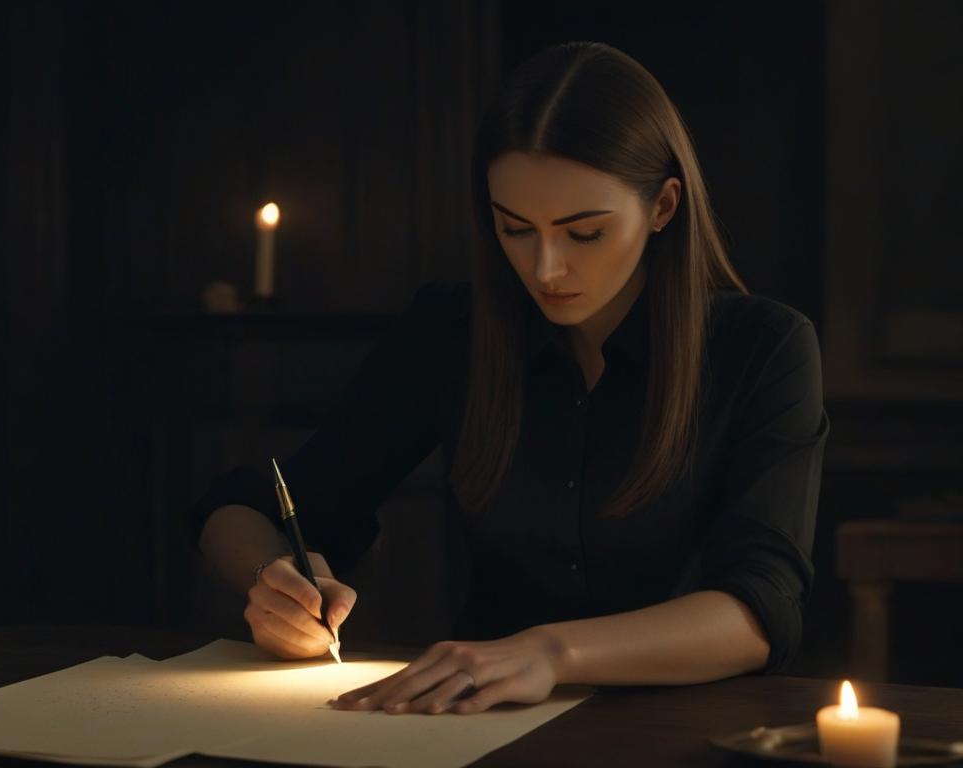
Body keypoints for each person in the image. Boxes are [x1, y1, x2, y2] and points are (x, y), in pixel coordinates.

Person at [187, 40, 828, 716]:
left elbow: (761, 607)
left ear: (663, 207)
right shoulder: (453, 330)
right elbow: (244, 505)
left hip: (685, 724)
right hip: (477, 720)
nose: (545, 268)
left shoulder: (764, 348)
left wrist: (552, 652)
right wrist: (274, 581)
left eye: (583, 234)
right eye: (515, 229)